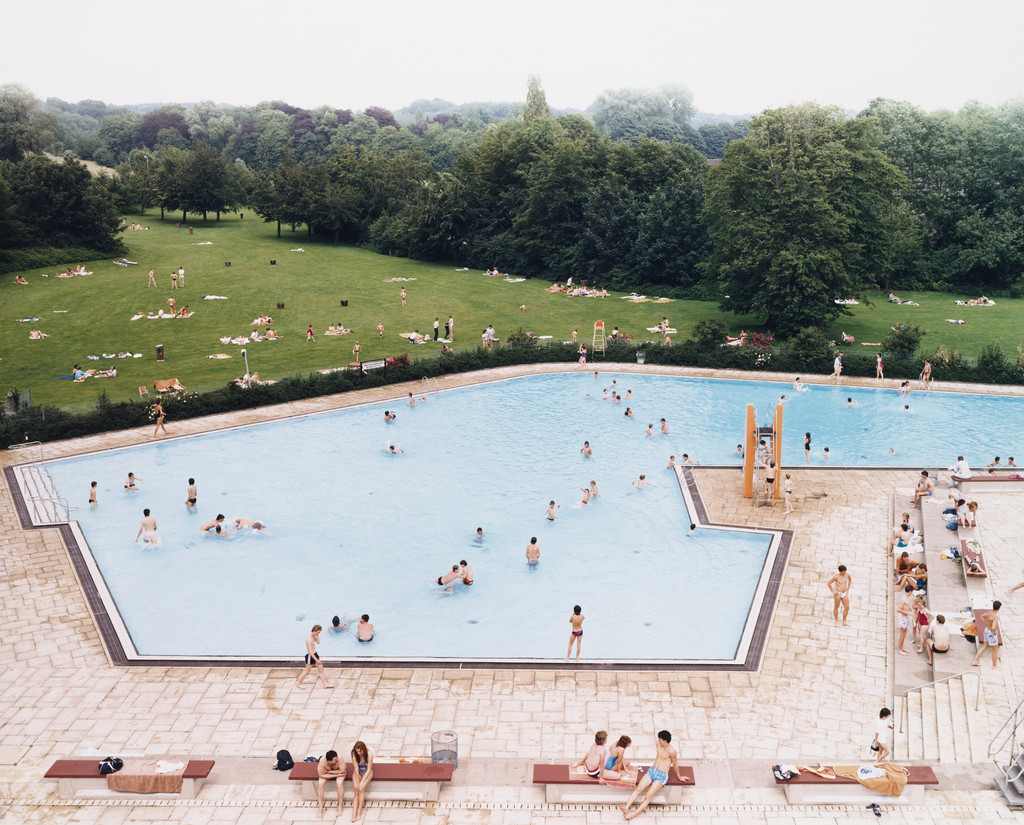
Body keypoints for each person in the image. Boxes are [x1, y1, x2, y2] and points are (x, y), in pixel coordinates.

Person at [620, 730, 688, 820]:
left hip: (661, 775)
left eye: (660, 739)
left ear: (665, 740)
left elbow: (675, 764)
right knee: (639, 789)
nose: (658, 740)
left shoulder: (672, 751)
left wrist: (679, 777)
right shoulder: (659, 744)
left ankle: (631, 815)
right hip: (652, 771)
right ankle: (626, 807)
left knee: (647, 796)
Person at [316, 749, 345, 818]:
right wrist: (336, 775)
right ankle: (320, 807)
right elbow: (321, 775)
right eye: (335, 760)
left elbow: (342, 771)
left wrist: (328, 772)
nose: (337, 760)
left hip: (338, 773)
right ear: (329, 761)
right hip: (336, 774)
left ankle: (340, 806)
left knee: (339, 783)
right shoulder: (322, 761)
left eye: (336, 758)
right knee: (320, 783)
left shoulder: (340, 759)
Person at [972, 602, 1002, 668]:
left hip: (986, 631)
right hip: (992, 634)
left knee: (984, 646)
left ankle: (975, 661)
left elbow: (982, 616)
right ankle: (994, 666)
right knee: (995, 650)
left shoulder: (989, 613)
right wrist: (993, 631)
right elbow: (994, 627)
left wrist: (987, 624)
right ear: (999, 608)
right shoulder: (995, 617)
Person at [350, 741, 373, 822]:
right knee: (356, 790)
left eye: (360, 751)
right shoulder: (354, 753)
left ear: (363, 749)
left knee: (361, 788)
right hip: (358, 771)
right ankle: (354, 814)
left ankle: (359, 813)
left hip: (367, 771)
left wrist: (361, 782)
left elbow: (369, 769)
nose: (359, 753)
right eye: (357, 751)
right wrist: (357, 778)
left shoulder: (369, 754)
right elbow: (356, 768)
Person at [896, 585, 915, 655]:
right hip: (902, 617)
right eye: (912, 591)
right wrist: (909, 613)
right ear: (910, 591)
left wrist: (912, 610)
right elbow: (898, 610)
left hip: (906, 617)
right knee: (902, 634)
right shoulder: (903, 599)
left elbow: (908, 606)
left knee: (904, 633)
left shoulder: (907, 598)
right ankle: (899, 649)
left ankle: (901, 647)